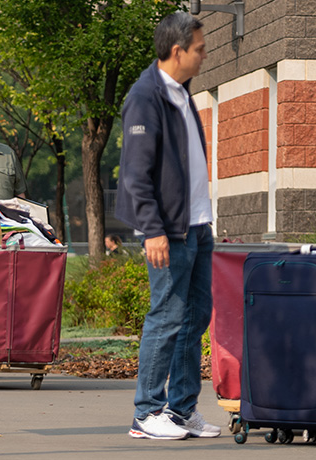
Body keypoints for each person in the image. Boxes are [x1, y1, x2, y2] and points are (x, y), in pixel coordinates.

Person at [115, 11, 220, 441]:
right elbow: (136, 174)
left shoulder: (180, 92)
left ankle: (180, 409)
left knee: (195, 317)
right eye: (199, 49)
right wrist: (153, 229)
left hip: (197, 224)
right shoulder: (146, 97)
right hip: (170, 230)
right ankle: (146, 412)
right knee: (167, 316)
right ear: (177, 51)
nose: (203, 55)